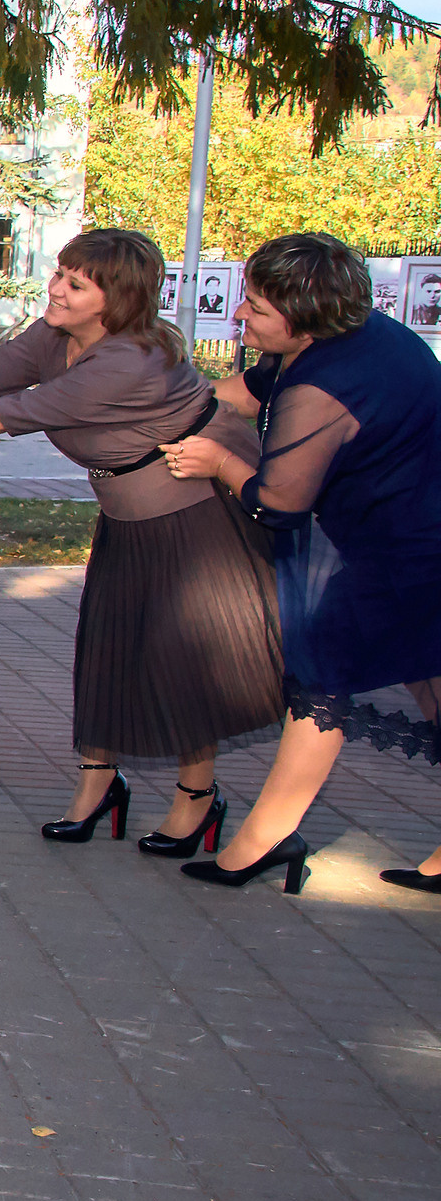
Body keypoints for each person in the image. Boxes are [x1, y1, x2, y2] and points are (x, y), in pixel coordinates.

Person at [0, 229, 279, 851]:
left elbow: (15, 413)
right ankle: (98, 785)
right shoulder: (57, 335)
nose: (56, 289)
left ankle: (197, 799)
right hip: (130, 518)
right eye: (59, 274)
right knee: (107, 651)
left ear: (118, 299)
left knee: (182, 662)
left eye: (76, 285)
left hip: (194, 520)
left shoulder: (128, 360)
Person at [163, 232, 441, 894]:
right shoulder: (357, 337)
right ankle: (268, 837)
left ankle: (265, 839)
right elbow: (245, 391)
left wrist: (217, 461)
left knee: (322, 676)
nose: (239, 314)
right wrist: (166, 406)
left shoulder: (323, 385)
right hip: (408, 543)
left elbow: (279, 502)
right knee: (425, 679)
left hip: (408, 553)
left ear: (305, 317)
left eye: (256, 308)